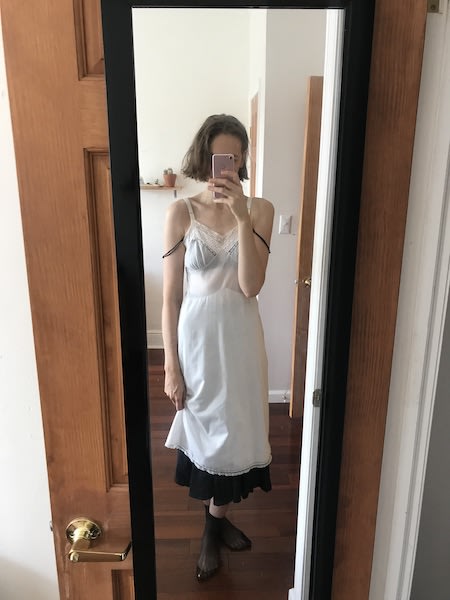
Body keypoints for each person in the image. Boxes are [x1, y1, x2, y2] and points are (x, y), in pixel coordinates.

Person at [161, 114, 274, 582]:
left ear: (243, 159)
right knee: (206, 429)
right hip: (198, 343)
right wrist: (171, 365)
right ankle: (212, 529)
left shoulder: (262, 210)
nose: (223, 167)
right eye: (216, 158)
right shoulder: (181, 212)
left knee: (238, 427)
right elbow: (169, 297)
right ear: (203, 156)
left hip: (242, 341)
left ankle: (217, 522)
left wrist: (242, 217)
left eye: (233, 157)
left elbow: (250, 286)